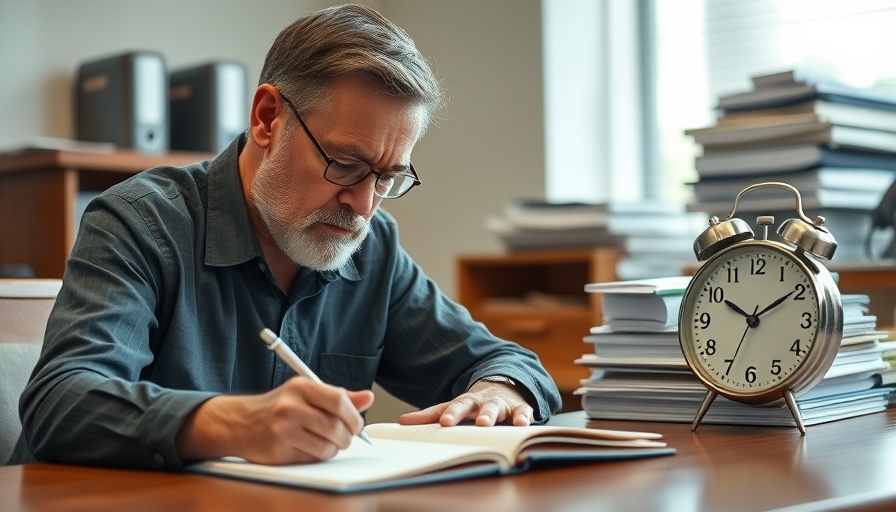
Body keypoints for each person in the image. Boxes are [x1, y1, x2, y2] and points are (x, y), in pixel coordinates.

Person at [9, 4, 561, 469]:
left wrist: (499, 391)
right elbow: (61, 402)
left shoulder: (373, 248)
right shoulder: (140, 221)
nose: (363, 205)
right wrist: (227, 422)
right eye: (345, 164)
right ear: (268, 118)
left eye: (388, 178)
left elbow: (507, 362)